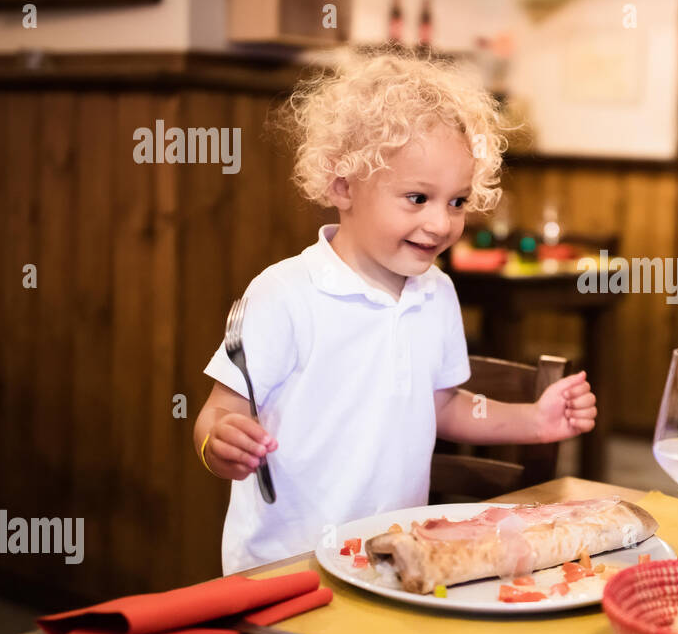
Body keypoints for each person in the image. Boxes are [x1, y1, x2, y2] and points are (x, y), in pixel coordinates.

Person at [193, 52, 597, 573]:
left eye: (457, 201)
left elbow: (444, 407)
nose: (441, 223)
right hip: (284, 569)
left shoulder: (437, 293)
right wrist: (218, 439)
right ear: (343, 187)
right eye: (417, 197)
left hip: (393, 562)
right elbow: (217, 411)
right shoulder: (285, 294)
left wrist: (533, 421)